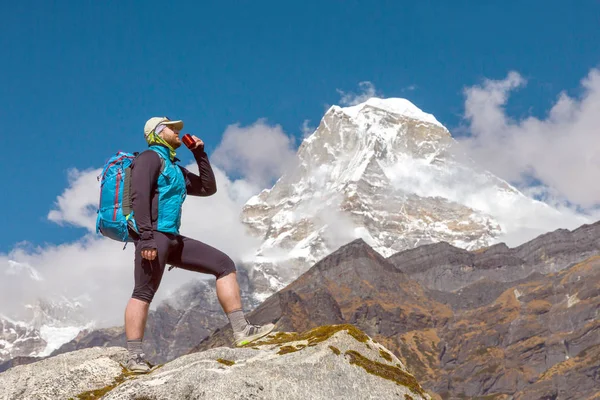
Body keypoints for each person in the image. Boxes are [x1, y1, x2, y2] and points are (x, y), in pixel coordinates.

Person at [124, 116, 274, 373]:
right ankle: (134, 357)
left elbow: (207, 188)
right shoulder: (149, 159)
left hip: (171, 238)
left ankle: (242, 329)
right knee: (143, 292)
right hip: (153, 237)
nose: (177, 131)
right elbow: (138, 197)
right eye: (172, 128)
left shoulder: (174, 168)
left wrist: (200, 155)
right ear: (159, 133)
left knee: (224, 265)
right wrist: (146, 238)